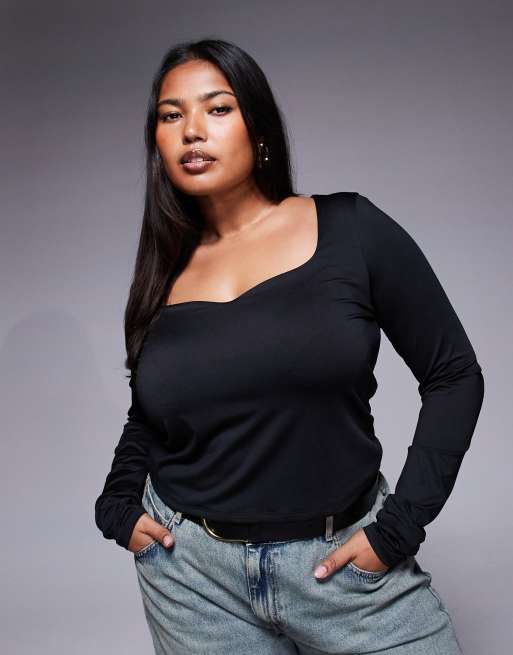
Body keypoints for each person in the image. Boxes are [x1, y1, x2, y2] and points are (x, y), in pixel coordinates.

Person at [94, 38, 484, 654]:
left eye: (217, 108)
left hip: (344, 569)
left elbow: (454, 374)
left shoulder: (351, 229)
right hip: (194, 583)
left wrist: (399, 528)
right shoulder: (162, 273)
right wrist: (118, 503)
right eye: (171, 116)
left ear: (260, 130)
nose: (192, 130)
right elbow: (152, 414)